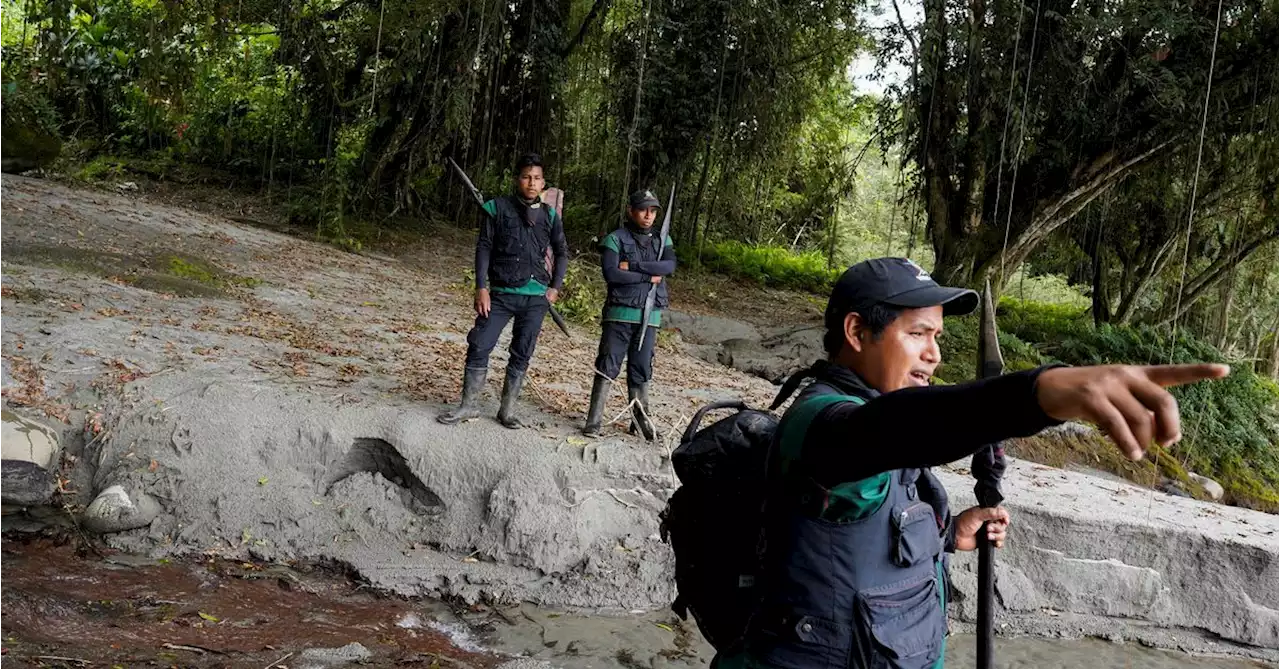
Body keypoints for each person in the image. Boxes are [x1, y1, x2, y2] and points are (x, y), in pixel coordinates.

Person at [715, 257, 1229, 669]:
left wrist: (948, 535)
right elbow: (897, 430)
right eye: (917, 333)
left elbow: (854, 538)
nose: (934, 353)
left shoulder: (880, 410)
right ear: (856, 332)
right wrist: (1039, 394)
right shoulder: (823, 423)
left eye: (938, 336)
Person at [438, 153, 569, 429]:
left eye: (536, 178)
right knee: (480, 343)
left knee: (523, 351)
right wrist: (481, 287)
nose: (531, 183)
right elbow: (483, 247)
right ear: (517, 180)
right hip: (500, 293)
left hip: (536, 298)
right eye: (525, 177)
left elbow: (561, 252)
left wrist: (555, 288)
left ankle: (507, 411)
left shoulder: (549, 216)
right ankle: (468, 406)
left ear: (543, 183)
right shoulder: (497, 208)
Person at [582, 189, 677, 440]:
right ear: (631, 211)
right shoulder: (615, 239)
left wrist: (633, 267)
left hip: (650, 315)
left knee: (642, 368)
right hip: (619, 314)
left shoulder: (662, 240)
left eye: (653, 210)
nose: (648, 215)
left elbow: (668, 266)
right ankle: (594, 421)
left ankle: (640, 419)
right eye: (644, 209)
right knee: (607, 365)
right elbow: (612, 274)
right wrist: (648, 276)